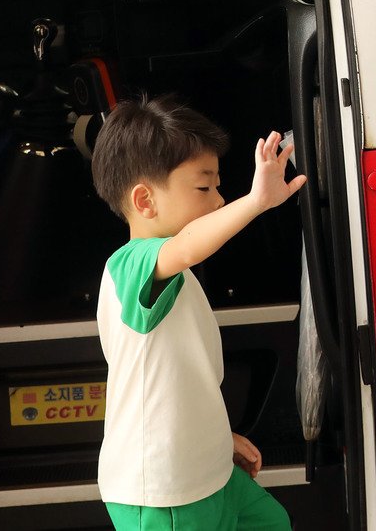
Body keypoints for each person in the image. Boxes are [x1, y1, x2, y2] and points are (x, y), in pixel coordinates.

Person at [90, 95, 305, 531]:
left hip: (202, 471)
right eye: (204, 187)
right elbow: (188, 245)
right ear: (145, 200)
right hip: (165, 492)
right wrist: (257, 201)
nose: (218, 200)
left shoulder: (171, 273)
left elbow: (174, 382)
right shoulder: (133, 265)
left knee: (271, 523)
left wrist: (216, 439)